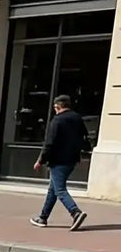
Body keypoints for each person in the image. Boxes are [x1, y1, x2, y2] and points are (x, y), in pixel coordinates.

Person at [31, 94, 89, 231]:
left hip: (58, 160)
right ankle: (43, 217)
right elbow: (84, 137)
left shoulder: (57, 121)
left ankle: (75, 212)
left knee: (60, 189)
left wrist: (40, 160)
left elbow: (49, 143)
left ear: (57, 107)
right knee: (53, 189)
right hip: (72, 159)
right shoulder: (77, 118)